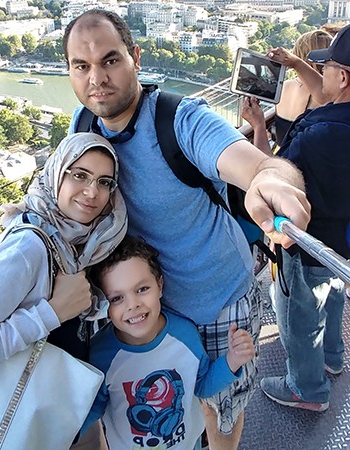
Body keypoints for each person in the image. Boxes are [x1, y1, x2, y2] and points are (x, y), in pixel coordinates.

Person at [63, 10, 310, 449]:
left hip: (215, 300)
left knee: (221, 410)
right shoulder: (82, 128)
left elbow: (258, 167)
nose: (96, 78)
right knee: (166, 409)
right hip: (145, 308)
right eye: (82, 66)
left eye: (110, 60)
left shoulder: (180, 120)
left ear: (136, 57)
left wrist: (272, 182)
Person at [0, 132, 127, 449]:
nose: (92, 192)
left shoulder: (86, 244)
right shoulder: (29, 245)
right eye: (79, 175)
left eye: (105, 182)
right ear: (56, 174)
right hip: (21, 419)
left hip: (65, 411)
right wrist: (49, 314)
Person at [242, 24, 350, 411]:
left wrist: (257, 126)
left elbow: (276, 176)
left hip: (308, 244)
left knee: (298, 318)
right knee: (334, 295)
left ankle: (307, 389)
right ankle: (334, 357)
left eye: (329, 69)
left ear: (341, 76)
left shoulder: (318, 133)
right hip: (343, 243)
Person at [83, 235, 255, 449]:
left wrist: (232, 360)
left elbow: (202, 386)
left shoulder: (185, 334)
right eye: (117, 298)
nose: (133, 305)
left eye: (142, 289)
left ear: (160, 285)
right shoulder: (100, 355)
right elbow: (87, 413)